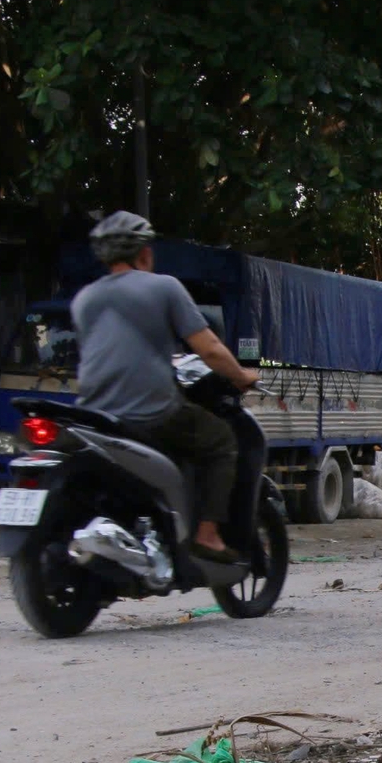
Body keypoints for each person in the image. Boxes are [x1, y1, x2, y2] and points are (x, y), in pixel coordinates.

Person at [71, 211, 259, 563]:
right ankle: (207, 534)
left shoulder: (83, 300)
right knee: (220, 441)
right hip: (150, 411)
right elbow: (210, 350)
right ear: (144, 253)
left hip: (94, 416)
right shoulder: (164, 287)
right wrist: (241, 376)